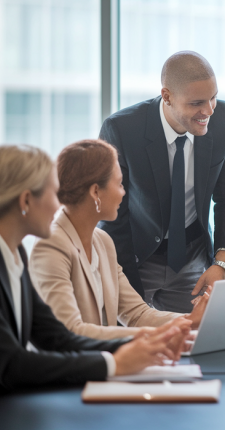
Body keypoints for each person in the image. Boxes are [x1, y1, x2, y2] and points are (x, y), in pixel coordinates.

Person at [0, 145, 191, 430]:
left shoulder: (11, 254)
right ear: (26, 200)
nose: (59, 205)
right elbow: (11, 365)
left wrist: (143, 345)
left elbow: (58, 338)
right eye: (53, 194)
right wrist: (113, 365)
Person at [99, 51, 225, 314]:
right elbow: (113, 215)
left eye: (213, 97)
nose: (209, 111)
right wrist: (126, 282)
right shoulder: (122, 129)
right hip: (136, 258)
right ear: (167, 96)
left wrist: (222, 263)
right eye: (197, 103)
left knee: (195, 335)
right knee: (135, 334)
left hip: (192, 257)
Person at [30, 140, 210, 341]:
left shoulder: (103, 242)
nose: (124, 192)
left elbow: (137, 314)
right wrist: (168, 331)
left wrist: (190, 320)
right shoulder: (51, 246)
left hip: (99, 356)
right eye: (119, 184)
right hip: (76, 360)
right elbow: (71, 330)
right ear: (95, 192)